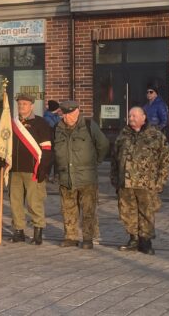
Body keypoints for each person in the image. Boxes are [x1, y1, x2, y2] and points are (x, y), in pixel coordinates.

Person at [111, 107, 169, 255]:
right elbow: (114, 159)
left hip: (146, 183)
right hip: (126, 183)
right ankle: (133, 239)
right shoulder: (123, 136)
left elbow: (166, 161)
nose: (131, 118)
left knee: (146, 212)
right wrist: (115, 179)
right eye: (130, 115)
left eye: (134, 116)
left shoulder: (155, 136)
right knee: (127, 212)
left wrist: (160, 182)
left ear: (144, 117)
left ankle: (145, 241)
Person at [54, 100, 109, 249]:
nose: (67, 117)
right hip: (66, 176)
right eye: (64, 114)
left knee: (88, 209)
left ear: (78, 111)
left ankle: (87, 238)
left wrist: (96, 161)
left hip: (86, 177)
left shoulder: (90, 126)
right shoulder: (57, 128)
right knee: (68, 208)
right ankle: (70, 237)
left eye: (70, 114)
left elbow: (103, 144)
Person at [9, 94, 53, 245]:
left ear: (32, 106)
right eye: (20, 104)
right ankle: (19, 231)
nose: (22, 106)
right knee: (15, 202)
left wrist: (44, 168)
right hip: (15, 169)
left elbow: (47, 147)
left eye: (25, 104)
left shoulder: (40, 123)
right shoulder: (12, 123)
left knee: (34, 202)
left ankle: (38, 231)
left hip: (33, 169)